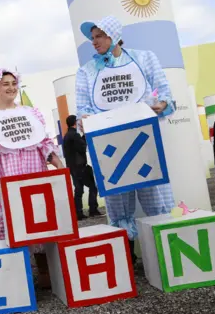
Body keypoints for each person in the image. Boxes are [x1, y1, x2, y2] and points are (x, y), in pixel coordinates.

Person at [75, 16, 176, 264]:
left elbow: (164, 91)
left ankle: (165, 256)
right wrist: (84, 119)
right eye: (92, 37)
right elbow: (82, 108)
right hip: (109, 143)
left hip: (143, 138)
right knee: (117, 200)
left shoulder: (144, 58)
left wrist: (161, 104)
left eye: (99, 36)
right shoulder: (86, 70)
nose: (94, 42)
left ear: (113, 35)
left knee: (154, 195)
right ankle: (126, 261)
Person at [0, 68, 65, 289]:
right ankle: (17, 278)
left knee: (40, 220)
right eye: (5, 84)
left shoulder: (30, 113)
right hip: (7, 178)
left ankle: (44, 272)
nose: (11, 87)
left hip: (34, 173)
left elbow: (44, 143)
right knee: (12, 224)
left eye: (13, 83)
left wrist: (58, 164)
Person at [62, 115, 103, 220]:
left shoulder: (66, 136)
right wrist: (85, 133)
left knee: (79, 190)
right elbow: (82, 146)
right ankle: (93, 209)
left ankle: (78, 213)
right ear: (75, 123)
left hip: (72, 167)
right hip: (80, 166)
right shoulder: (74, 135)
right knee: (93, 185)